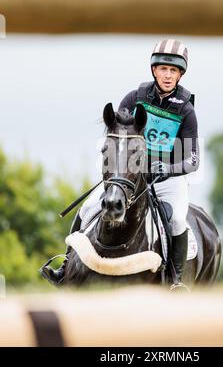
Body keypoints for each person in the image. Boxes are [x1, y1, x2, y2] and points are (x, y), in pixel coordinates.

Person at [42, 39, 199, 289]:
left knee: (178, 220)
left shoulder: (186, 110)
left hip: (167, 179)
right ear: (154, 71)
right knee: (87, 208)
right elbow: (116, 137)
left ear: (180, 74)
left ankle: (175, 280)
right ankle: (65, 267)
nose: (168, 75)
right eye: (163, 69)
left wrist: (166, 169)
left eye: (173, 71)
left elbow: (193, 159)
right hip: (129, 176)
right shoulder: (134, 97)